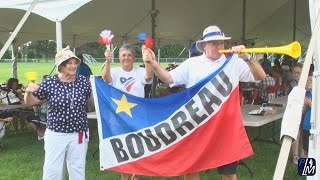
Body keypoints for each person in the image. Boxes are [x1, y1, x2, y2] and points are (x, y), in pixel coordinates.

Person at [142, 25, 265, 180]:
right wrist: (153, 63)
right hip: (197, 124)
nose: (218, 46)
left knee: (228, 173)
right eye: (213, 43)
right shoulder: (192, 63)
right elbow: (168, 79)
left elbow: (260, 77)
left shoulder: (233, 61)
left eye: (220, 42)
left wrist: (247, 58)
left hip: (225, 126)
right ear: (204, 46)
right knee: (191, 169)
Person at [24, 48, 92, 180]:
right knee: (52, 171)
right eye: (69, 63)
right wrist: (28, 92)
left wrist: (94, 89)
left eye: (75, 62)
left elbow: (90, 104)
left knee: (77, 169)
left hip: (79, 133)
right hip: (56, 133)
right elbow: (32, 102)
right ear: (61, 65)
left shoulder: (82, 81)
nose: (73, 66)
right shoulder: (50, 82)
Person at [103, 44, 154, 180]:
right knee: (122, 147)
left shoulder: (139, 71)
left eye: (129, 55)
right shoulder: (114, 71)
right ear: (119, 58)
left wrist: (147, 60)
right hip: (118, 116)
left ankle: (136, 176)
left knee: (138, 146)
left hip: (138, 115)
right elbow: (106, 79)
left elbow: (149, 76)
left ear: (133, 57)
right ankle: (124, 177)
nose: (126, 58)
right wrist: (107, 61)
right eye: (123, 55)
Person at [287, 63, 303, 164]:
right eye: (294, 73)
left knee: (305, 134)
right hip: (295, 111)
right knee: (296, 133)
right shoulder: (291, 84)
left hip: (306, 111)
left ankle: (303, 154)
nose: (296, 75)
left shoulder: (308, 82)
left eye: (298, 73)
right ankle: (295, 156)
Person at [301, 73, 313, 157]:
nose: (307, 82)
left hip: (314, 127)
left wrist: (309, 103)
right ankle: (308, 167)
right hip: (306, 125)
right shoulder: (306, 94)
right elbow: (304, 110)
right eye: (306, 81)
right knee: (306, 148)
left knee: (314, 148)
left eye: (310, 81)